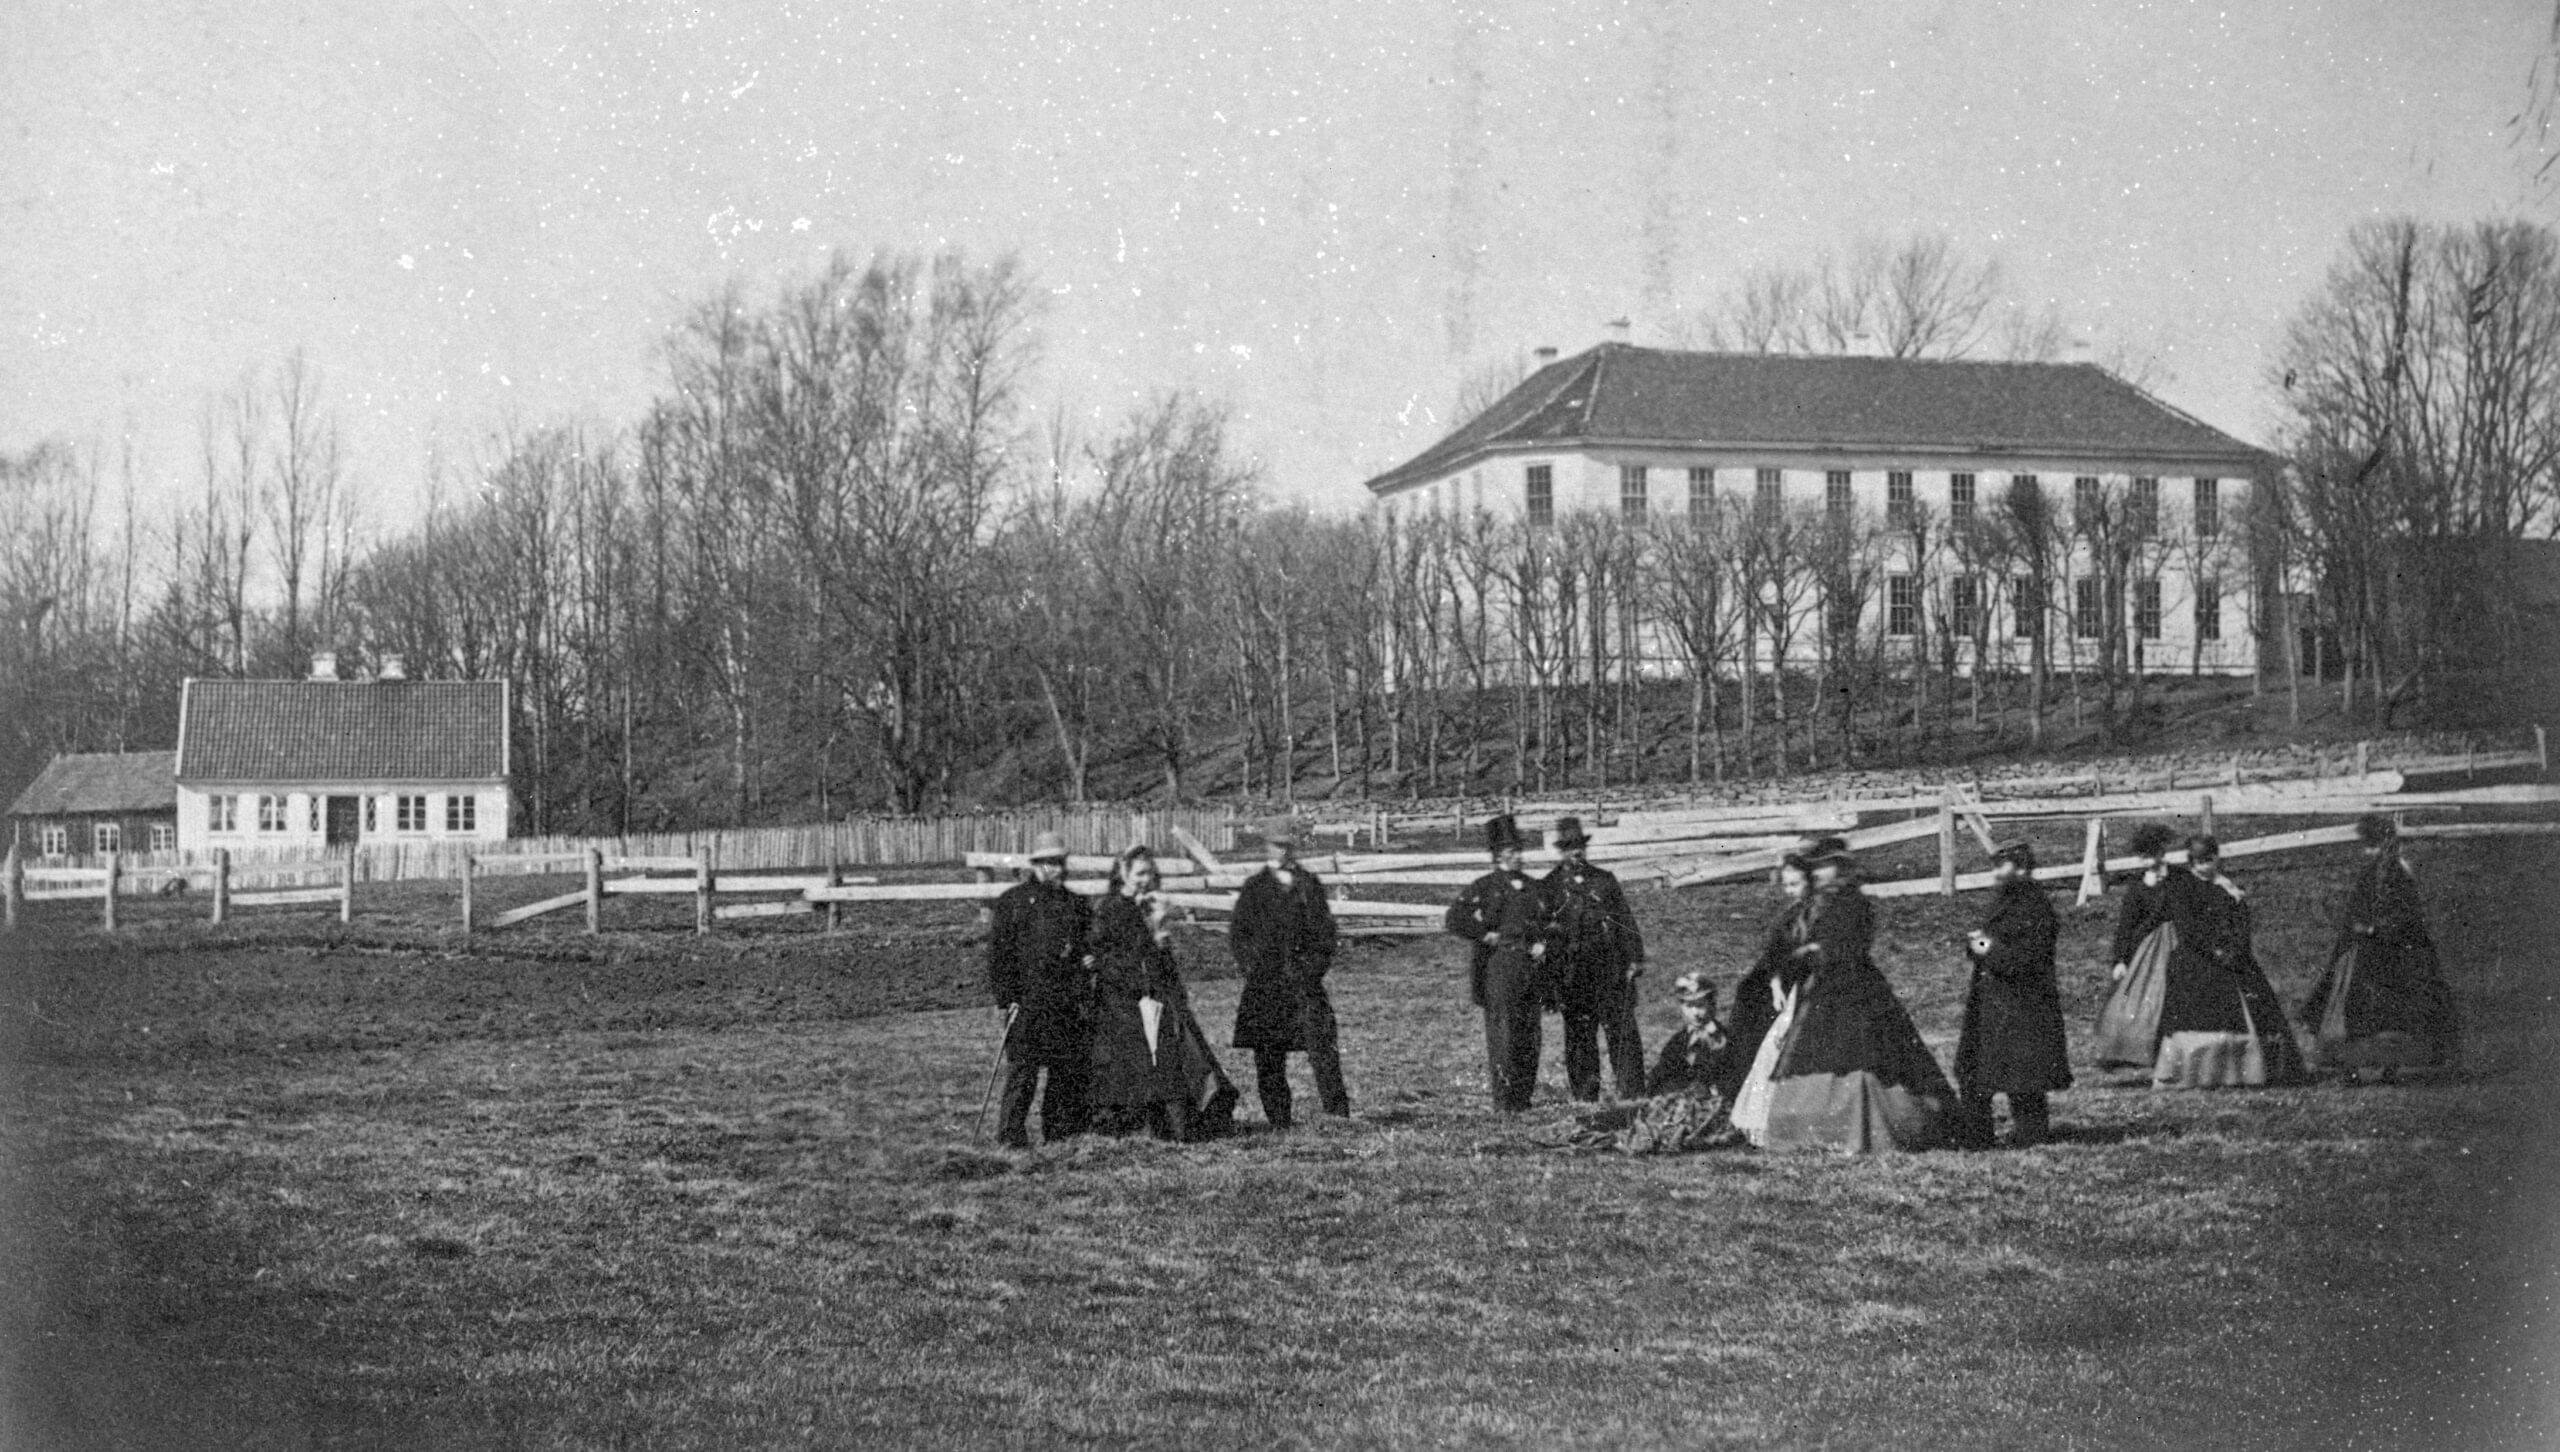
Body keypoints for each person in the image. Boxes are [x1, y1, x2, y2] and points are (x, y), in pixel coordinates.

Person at [1753, 842, 1956, 1152]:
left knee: (1864, 1054)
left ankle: (1870, 1128)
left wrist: (1815, 952)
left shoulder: (1852, 901)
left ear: (1841, 866)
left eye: (1825, 866)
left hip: (1855, 988)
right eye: (1816, 867)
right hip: (1822, 990)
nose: (1819, 873)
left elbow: (1847, 946)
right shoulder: (1819, 904)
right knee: (1817, 1056)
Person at [2302, 815, 2459, 1082]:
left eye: (2371, 845)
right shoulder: (2387, 870)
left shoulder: (2391, 873)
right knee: (2376, 1010)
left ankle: (2369, 1065)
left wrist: (2373, 929)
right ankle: (2370, 1065)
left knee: (2373, 1009)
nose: (2367, 851)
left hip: (2381, 950)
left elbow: (2398, 914)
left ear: (2380, 844)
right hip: (2379, 948)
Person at [2148, 835, 2310, 1088]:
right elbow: (2187, 928)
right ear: (2191, 862)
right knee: (2197, 1015)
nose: (2205, 866)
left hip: (2233, 958)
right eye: (2199, 861)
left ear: (2217, 858)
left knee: (2254, 1010)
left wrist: (2235, 948)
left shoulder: (2228, 886)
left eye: (2210, 859)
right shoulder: (2182, 888)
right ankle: (2194, 1073)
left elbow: (2241, 921)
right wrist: (2214, 951)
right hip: (2197, 960)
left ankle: (2250, 1071)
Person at [1229, 816, 1350, 1128]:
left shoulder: (1309, 885)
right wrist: (1252, 968)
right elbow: (1239, 936)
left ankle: (1338, 1114)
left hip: (1302, 982)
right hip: (1265, 985)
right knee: (1268, 1054)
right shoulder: (1255, 888)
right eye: (1275, 845)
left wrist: (1311, 970)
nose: (1281, 851)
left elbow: (1325, 935)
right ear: (1266, 847)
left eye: (1286, 846)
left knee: (1322, 1047)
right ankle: (1278, 1118)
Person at [1951, 840, 2072, 1148]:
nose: (1994, 873)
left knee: (2024, 1079)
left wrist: (1983, 946)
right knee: (1973, 1070)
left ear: (2021, 868)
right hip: (1992, 1002)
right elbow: (1983, 946)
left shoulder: (2035, 906)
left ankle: (2031, 1137)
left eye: (2000, 866)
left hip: (2023, 1004)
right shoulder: (2004, 901)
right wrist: (1980, 945)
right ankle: (1977, 1138)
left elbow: (2024, 959)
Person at [987, 831, 1094, 1148]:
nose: (1057, 870)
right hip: (1028, 1002)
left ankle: (1061, 1135)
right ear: (1035, 865)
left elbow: (1088, 945)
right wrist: (1006, 1000)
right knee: (1023, 1073)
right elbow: (1000, 956)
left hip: (1067, 1002)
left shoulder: (1076, 904)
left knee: (1065, 1072)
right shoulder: (1013, 903)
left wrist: (1089, 958)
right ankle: (1011, 1138)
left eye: (1060, 863)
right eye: (1049, 864)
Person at [1086, 846, 1200, 1141]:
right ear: (1123, 873)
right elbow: (1101, 956)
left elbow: (1162, 957)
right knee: (1130, 1061)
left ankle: (1172, 1126)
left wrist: (1159, 929)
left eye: (1150, 873)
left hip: (1155, 993)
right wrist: (1132, 979)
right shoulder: (1109, 908)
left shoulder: (1151, 907)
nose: (1145, 879)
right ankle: (1130, 1125)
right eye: (1139, 873)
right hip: (1120, 999)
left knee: (1166, 1057)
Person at [1445, 814, 1556, 1112]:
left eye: (1519, 850)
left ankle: (1524, 1097)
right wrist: (1484, 934)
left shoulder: (1536, 887)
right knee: (1504, 1034)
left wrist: (1543, 943)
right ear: (1497, 856)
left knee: (1530, 1032)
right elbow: (1455, 918)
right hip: (1499, 967)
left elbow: (1551, 923)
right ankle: (1505, 1101)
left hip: (1531, 968)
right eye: (1510, 851)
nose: (1517, 856)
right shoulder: (1485, 886)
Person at [1543, 815, 1648, 1102]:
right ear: (1561, 851)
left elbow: (1625, 920)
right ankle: (1586, 1096)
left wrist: (1635, 958)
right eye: (1569, 847)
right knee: (1579, 1035)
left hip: (1610, 968)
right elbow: (1545, 936)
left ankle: (1632, 1091)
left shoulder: (1604, 880)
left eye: (1579, 846)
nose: (1576, 852)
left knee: (1622, 1031)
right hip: (1574, 973)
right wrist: (1551, 979)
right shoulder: (1551, 886)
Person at [1726, 854, 1815, 1145]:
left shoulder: (1818, 915)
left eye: (1796, 883)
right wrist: (1776, 987)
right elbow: (1773, 958)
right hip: (1783, 986)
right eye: (1787, 885)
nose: (1791, 890)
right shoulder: (1789, 916)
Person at [2091, 822, 2180, 1072]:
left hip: (2177, 944)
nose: (2145, 861)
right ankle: (2137, 1051)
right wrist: (2120, 959)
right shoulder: (2137, 888)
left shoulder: (2179, 878)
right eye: (2142, 857)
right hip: (2146, 950)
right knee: (2140, 999)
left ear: (2162, 854)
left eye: (2150, 856)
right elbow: (2126, 926)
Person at [1643, 972, 1742, 1101]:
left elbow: (1732, 1076)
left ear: (1712, 1004)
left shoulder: (1724, 1039)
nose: (1695, 1013)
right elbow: (1661, 1075)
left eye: (1700, 1005)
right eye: (1689, 1006)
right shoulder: (1677, 1041)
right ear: (1681, 1007)